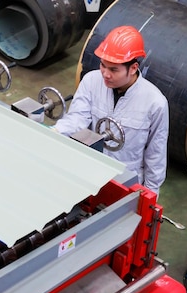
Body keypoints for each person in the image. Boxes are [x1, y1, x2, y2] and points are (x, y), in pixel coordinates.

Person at [53, 25, 169, 195]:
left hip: (126, 181)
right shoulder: (91, 81)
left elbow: (155, 155)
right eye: (103, 65)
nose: (105, 74)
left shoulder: (155, 103)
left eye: (114, 69)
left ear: (133, 68)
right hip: (91, 171)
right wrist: (56, 131)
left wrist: (149, 196)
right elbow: (78, 118)